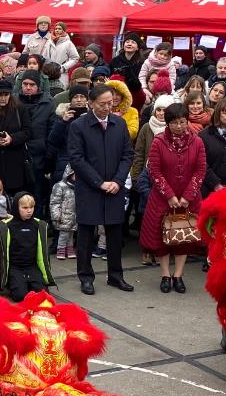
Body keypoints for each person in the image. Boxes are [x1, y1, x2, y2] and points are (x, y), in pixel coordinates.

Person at [68, 84, 135, 295]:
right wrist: (99, 182)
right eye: (102, 104)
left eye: (110, 103)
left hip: (115, 187)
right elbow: (77, 159)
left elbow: (127, 155)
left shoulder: (119, 123)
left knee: (115, 233)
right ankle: (86, 277)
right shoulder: (79, 126)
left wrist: (117, 180)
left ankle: (116, 276)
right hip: (90, 187)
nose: (107, 107)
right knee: (87, 234)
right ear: (91, 104)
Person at [140, 103, 207, 294]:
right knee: (161, 237)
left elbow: (200, 169)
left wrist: (187, 196)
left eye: (183, 122)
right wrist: (169, 195)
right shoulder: (159, 142)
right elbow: (154, 171)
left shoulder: (197, 142)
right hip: (162, 198)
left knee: (183, 237)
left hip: (189, 198)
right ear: (168, 123)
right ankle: (165, 274)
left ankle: (178, 274)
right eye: (175, 123)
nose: (180, 126)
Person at [0, 192, 53, 301]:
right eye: (25, 207)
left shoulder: (39, 225)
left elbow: (44, 254)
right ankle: (18, 283)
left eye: (31, 207)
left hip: (32, 266)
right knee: (20, 296)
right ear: (16, 207)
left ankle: (29, 283)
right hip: (15, 267)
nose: (29, 211)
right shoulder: (7, 226)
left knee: (43, 295)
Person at [50, 165, 77, 259]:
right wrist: (56, 215)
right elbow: (54, 202)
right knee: (63, 234)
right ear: (69, 174)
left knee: (71, 233)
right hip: (63, 215)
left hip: (74, 216)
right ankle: (60, 249)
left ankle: (69, 248)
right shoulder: (60, 186)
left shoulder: (78, 187)